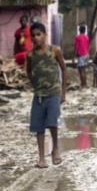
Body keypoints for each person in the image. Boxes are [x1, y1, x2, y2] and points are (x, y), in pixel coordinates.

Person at [25, 22, 67, 168]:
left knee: (52, 123)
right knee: (39, 127)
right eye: (33, 36)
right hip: (39, 95)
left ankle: (55, 149)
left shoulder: (54, 51)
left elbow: (64, 69)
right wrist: (34, 84)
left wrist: (63, 92)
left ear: (45, 35)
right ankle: (41, 157)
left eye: (38, 34)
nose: (36, 38)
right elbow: (28, 72)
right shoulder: (30, 55)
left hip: (54, 93)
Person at [74, 24, 90, 89]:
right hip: (87, 54)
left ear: (79, 30)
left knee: (81, 70)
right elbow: (87, 46)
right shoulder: (87, 37)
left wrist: (74, 56)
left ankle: (83, 84)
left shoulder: (77, 37)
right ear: (85, 30)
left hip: (81, 55)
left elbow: (76, 47)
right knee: (84, 70)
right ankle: (85, 84)